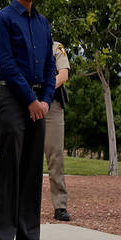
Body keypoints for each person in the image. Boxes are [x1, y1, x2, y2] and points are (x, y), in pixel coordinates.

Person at [0, 0, 56, 240]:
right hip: (10, 100)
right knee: (9, 168)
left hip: (38, 103)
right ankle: (2, 236)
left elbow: (51, 66)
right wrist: (30, 100)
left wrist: (45, 101)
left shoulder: (43, 23)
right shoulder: (2, 19)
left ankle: (28, 233)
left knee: (31, 169)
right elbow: (6, 64)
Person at [44, 42, 72, 222]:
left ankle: (60, 205)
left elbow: (63, 75)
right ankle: (22, 205)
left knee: (55, 156)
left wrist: (44, 90)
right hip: (25, 101)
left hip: (52, 105)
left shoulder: (56, 47)